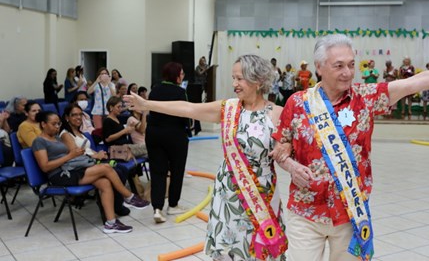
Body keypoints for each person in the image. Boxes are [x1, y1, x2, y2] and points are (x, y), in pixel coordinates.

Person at [270, 34, 429, 261]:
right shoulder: (298, 103)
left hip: (350, 213)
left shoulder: (366, 98)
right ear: (319, 67)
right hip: (306, 211)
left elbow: (417, 82)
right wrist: (291, 166)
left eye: (351, 64)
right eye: (338, 66)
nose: (347, 72)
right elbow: (280, 148)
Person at [124, 55, 287, 260]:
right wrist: (147, 104)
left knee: (262, 247)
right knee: (230, 248)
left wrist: (287, 150)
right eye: (233, 78)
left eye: (240, 78)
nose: (234, 84)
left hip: (263, 192)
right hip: (229, 191)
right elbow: (188, 108)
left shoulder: (277, 113)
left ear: (258, 80)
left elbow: (289, 151)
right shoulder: (228, 108)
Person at [31, 111, 149, 234]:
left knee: (104, 183)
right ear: (43, 124)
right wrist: (70, 156)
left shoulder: (56, 138)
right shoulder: (39, 141)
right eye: (53, 124)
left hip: (72, 169)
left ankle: (111, 223)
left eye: (58, 124)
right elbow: (45, 167)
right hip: (59, 175)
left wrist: (75, 156)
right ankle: (129, 197)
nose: (57, 127)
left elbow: (68, 156)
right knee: (106, 168)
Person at [136, 62, 191, 224]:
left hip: (154, 135)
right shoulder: (181, 92)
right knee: (176, 170)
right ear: (175, 75)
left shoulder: (155, 90)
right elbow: (186, 115)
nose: (183, 76)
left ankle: (157, 209)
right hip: (175, 135)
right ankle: (172, 205)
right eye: (181, 73)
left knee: (158, 171)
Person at [60, 103, 134, 216]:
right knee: (117, 171)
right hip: (82, 165)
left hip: (91, 160)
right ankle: (118, 204)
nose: (78, 117)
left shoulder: (79, 132)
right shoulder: (66, 134)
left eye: (80, 114)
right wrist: (95, 156)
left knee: (122, 168)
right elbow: (75, 155)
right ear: (67, 117)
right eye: (74, 115)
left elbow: (88, 149)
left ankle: (117, 203)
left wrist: (99, 153)